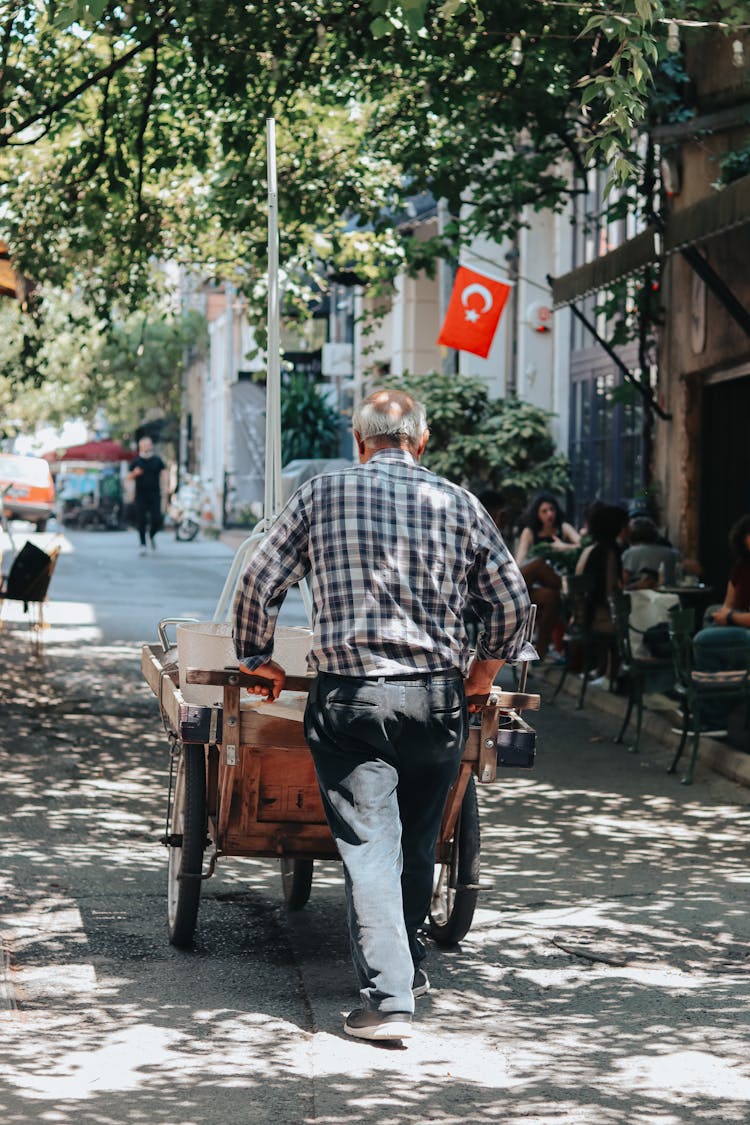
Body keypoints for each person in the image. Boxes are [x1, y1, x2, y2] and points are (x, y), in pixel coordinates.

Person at [233, 388, 533, 1043]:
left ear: (358, 441)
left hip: (352, 696)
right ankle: (407, 968)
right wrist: (481, 678)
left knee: (371, 845)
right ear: (421, 443)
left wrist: (257, 656)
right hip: (436, 699)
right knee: (418, 841)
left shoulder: (321, 493)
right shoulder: (457, 502)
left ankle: (389, 997)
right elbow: (512, 602)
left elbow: (258, 578)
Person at [479, 488, 563, 661]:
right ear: (496, 512)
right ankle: (567, 588)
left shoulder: (494, 531)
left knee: (551, 597)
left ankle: (541, 651)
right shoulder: (481, 529)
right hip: (490, 589)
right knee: (538, 565)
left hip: (507, 588)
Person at [687, 514, 750, 736]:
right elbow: (727, 604)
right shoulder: (742, 567)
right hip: (740, 628)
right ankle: (704, 703)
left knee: (705, 640)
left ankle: (713, 716)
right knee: (708, 627)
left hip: (745, 630)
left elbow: (730, 612)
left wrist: (731, 617)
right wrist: (725, 616)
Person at [574, 504, 629, 681]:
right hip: (598, 619)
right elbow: (609, 593)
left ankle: (602, 670)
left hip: (584, 615)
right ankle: (611, 675)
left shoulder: (591, 549)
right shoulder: (609, 552)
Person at [515, 490, 580, 566]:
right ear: (537, 514)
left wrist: (565, 547)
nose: (550, 514)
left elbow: (583, 546)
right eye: (544, 511)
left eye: (552, 509)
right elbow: (520, 560)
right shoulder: (529, 532)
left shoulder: (564, 527)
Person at [126, 436, 165, 555]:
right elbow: (128, 477)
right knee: (141, 520)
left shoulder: (157, 460)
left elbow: (164, 473)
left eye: (149, 444)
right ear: (140, 447)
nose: (147, 447)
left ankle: (152, 535)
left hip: (155, 494)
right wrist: (135, 473)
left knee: (157, 519)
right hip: (140, 495)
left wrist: (166, 488)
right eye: (144, 445)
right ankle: (143, 544)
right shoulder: (136, 461)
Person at [622, 516, 683, 587]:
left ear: (631, 534)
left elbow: (624, 581)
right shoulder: (674, 553)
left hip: (640, 596)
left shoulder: (629, 553)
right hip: (673, 595)